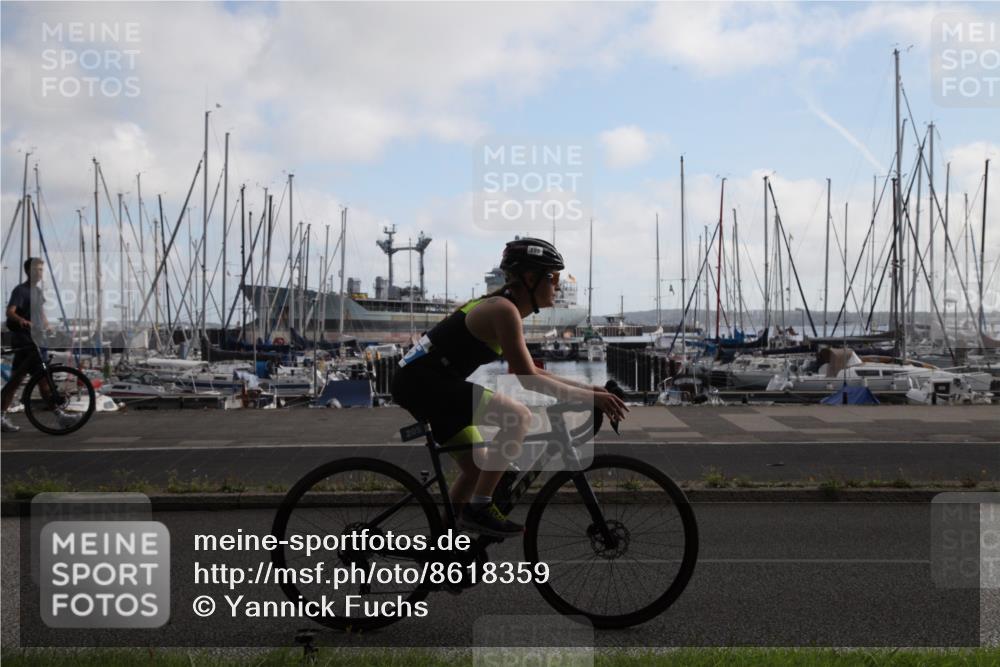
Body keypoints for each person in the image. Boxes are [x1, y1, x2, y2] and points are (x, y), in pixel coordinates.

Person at [391, 238, 628, 538]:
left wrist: (591, 391)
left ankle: (444, 548)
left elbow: (532, 372)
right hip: (425, 383)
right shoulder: (504, 310)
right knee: (517, 416)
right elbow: (526, 377)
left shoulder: (504, 308)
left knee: (479, 469)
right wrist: (589, 397)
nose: (557, 285)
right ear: (530, 279)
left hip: (425, 382)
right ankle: (480, 508)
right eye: (553, 278)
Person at [2, 257, 77, 433]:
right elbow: (10, 312)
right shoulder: (20, 291)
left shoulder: (37, 292)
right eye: (37, 269)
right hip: (24, 342)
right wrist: (22, 321)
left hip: (36, 342)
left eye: (42, 270)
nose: (40, 273)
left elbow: (40, 312)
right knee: (17, 382)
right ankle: (59, 416)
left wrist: (48, 326)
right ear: (28, 271)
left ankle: (60, 416)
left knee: (42, 381)